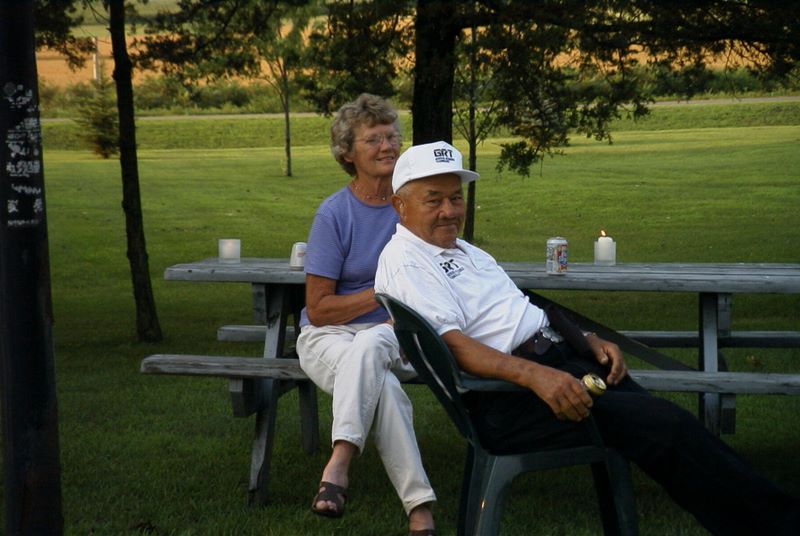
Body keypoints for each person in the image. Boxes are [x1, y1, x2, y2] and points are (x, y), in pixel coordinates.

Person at [374, 140, 800, 535]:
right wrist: (537, 377)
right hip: (511, 401)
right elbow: (455, 345)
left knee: (668, 426)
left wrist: (586, 337)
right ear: (400, 205)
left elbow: (516, 312)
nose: (450, 211)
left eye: (454, 198)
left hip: (558, 364)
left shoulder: (464, 251)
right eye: (434, 200)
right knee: (668, 430)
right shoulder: (408, 261)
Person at [296, 94, 436, 535]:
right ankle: (420, 511)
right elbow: (318, 310)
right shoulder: (335, 214)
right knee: (387, 390)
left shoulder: (413, 206)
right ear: (347, 154)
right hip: (330, 335)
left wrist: (393, 308)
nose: (387, 146)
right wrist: (383, 292)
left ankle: (339, 462)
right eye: (373, 139)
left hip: (394, 332)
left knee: (375, 347)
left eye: (392, 136)